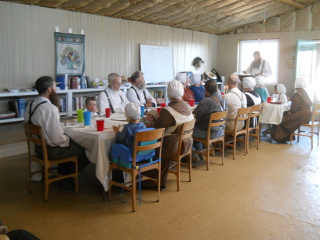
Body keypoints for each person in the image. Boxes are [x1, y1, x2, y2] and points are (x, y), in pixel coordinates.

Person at [24, 76, 90, 176]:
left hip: (38, 148)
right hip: (49, 150)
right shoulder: (50, 108)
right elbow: (57, 139)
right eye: (55, 87)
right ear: (50, 89)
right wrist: (68, 139)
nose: (56, 90)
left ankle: (64, 169)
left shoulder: (31, 105)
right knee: (86, 149)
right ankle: (66, 173)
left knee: (71, 142)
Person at [142, 80, 194, 189]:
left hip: (170, 147)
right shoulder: (188, 107)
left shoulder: (168, 110)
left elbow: (156, 130)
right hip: (186, 143)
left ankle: (145, 177)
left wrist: (152, 119)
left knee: (143, 144)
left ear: (168, 93)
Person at [271, 78, 312, 143]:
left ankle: (280, 138)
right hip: (307, 115)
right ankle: (287, 137)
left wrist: (290, 112)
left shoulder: (297, 94)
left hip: (301, 115)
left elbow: (294, 108)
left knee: (282, 119)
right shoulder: (304, 92)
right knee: (285, 115)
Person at [192, 79, 227, 153]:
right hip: (221, 131)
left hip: (209, 133)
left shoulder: (207, 101)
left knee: (186, 131)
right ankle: (200, 151)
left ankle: (195, 153)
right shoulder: (223, 99)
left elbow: (195, 117)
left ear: (206, 91)